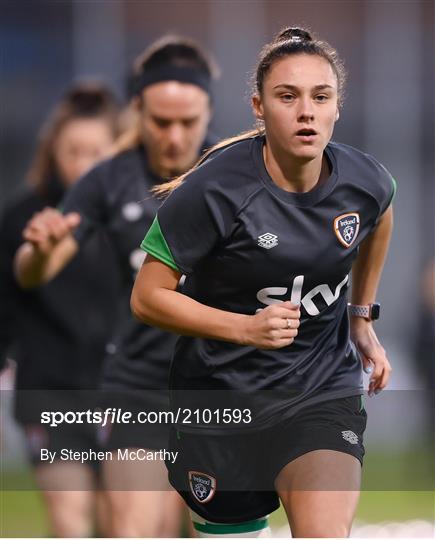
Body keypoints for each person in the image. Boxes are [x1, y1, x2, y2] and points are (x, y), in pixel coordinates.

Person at [130, 27, 396, 538]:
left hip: (319, 391)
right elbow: (147, 298)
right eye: (287, 96)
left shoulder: (365, 181)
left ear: (338, 106)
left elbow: (382, 213)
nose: (306, 112)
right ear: (258, 106)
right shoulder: (215, 189)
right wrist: (246, 329)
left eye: (321, 97)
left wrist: (361, 318)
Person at [14, 35, 218, 537]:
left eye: (187, 122)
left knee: (205, 528)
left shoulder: (232, 173)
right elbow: (32, 271)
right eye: (160, 121)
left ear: (208, 112)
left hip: (218, 382)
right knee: (132, 529)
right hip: (138, 385)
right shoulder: (109, 179)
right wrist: (40, 248)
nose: (174, 136)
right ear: (137, 111)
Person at [0, 83, 120, 537]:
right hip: (49, 397)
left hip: (124, 397)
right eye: (73, 151)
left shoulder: (139, 217)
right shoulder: (23, 221)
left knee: (127, 527)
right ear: (53, 152)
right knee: (71, 526)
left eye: (96, 151)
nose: (83, 163)